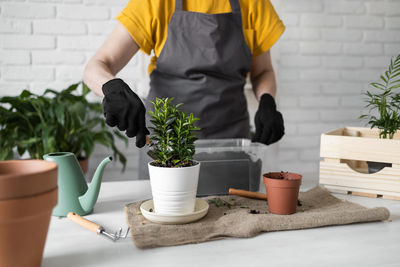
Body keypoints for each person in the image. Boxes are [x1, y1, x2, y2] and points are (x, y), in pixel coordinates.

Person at [84, 0, 285, 148]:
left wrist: (267, 101)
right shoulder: (155, 3)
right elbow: (98, 65)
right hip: (165, 140)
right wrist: (113, 89)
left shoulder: (254, 3)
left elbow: (263, 71)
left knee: (235, 205)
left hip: (230, 140)